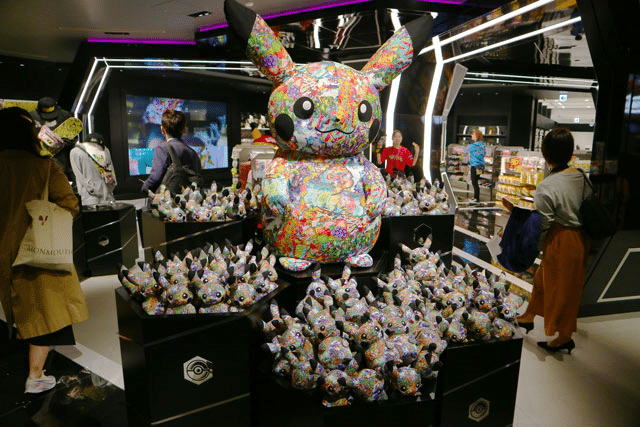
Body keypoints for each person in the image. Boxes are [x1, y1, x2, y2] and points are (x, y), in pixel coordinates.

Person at [0, 107, 89, 393]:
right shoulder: (43, 166)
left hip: (3, 250)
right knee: (46, 311)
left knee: (19, 309)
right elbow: (69, 204)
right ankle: (35, 376)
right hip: (36, 248)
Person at [504, 128, 589, 354]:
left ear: (545, 153)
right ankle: (529, 315)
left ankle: (564, 337)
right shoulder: (580, 175)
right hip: (580, 238)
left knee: (562, 290)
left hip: (560, 239)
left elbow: (543, 223)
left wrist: (523, 231)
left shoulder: (547, 186)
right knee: (544, 281)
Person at [141, 109, 202, 193]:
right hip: (187, 198)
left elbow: (155, 177)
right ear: (184, 130)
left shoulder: (162, 148)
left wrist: (144, 188)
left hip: (167, 198)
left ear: (162, 130)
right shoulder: (192, 153)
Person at [29, 96, 75, 182]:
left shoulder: (65, 116)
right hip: (40, 162)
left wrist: (65, 143)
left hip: (62, 162)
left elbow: (73, 139)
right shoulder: (32, 117)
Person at [70, 132, 117, 206]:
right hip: (89, 196)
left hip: (107, 194)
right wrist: (90, 188)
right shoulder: (76, 152)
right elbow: (78, 174)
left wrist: (112, 184)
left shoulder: (105, 150)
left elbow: (110, 167)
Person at [465, 129, 486, 202]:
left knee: (474, 181)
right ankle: (476, 197)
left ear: (476, 136)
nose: (472, 135)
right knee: (476, 181)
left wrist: (456, 148)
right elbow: (483, 154)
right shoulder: (482, 144)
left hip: (474, 166)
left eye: (473, 134)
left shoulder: (474, 145)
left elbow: (464, 150)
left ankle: (476, 198)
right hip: (480, 166)